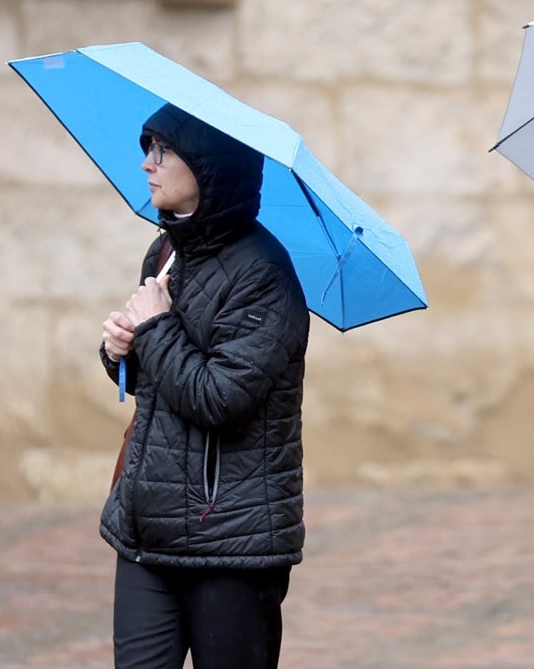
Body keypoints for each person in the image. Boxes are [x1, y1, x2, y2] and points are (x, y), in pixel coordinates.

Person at [99, 102, 309, 669]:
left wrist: (155, 327)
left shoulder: (266, 273)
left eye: (164, 151)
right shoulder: (166, 250)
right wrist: (121, 349)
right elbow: (159, 381)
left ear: (209, 167)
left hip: (231, 542)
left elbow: (220, 399)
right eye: (149, 148)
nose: (148, 164)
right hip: (148, 530)